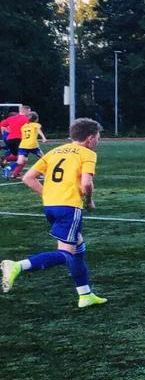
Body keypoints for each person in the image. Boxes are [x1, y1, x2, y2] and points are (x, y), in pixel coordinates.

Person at [1, 118, 107, 308]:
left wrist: (50, 194)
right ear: (90, 138)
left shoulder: (55, 151)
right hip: (69, 208)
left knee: (78, 249)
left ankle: (85, 294)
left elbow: (28, 178)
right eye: (98, 136)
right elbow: (86, 183)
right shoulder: (87, 153)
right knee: (66, 253)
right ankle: (18, 265)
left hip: (51, 206)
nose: (98, 140)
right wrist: (89, 200)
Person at [9, 111, 46, 180]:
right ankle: (42, 173)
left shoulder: (24, 126)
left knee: (20, 161)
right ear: (36, 119)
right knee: (44, 159)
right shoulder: (36, 125)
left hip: (23, 146)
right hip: (33, 146)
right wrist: (44, 138)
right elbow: (38, 130)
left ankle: (9, 168)